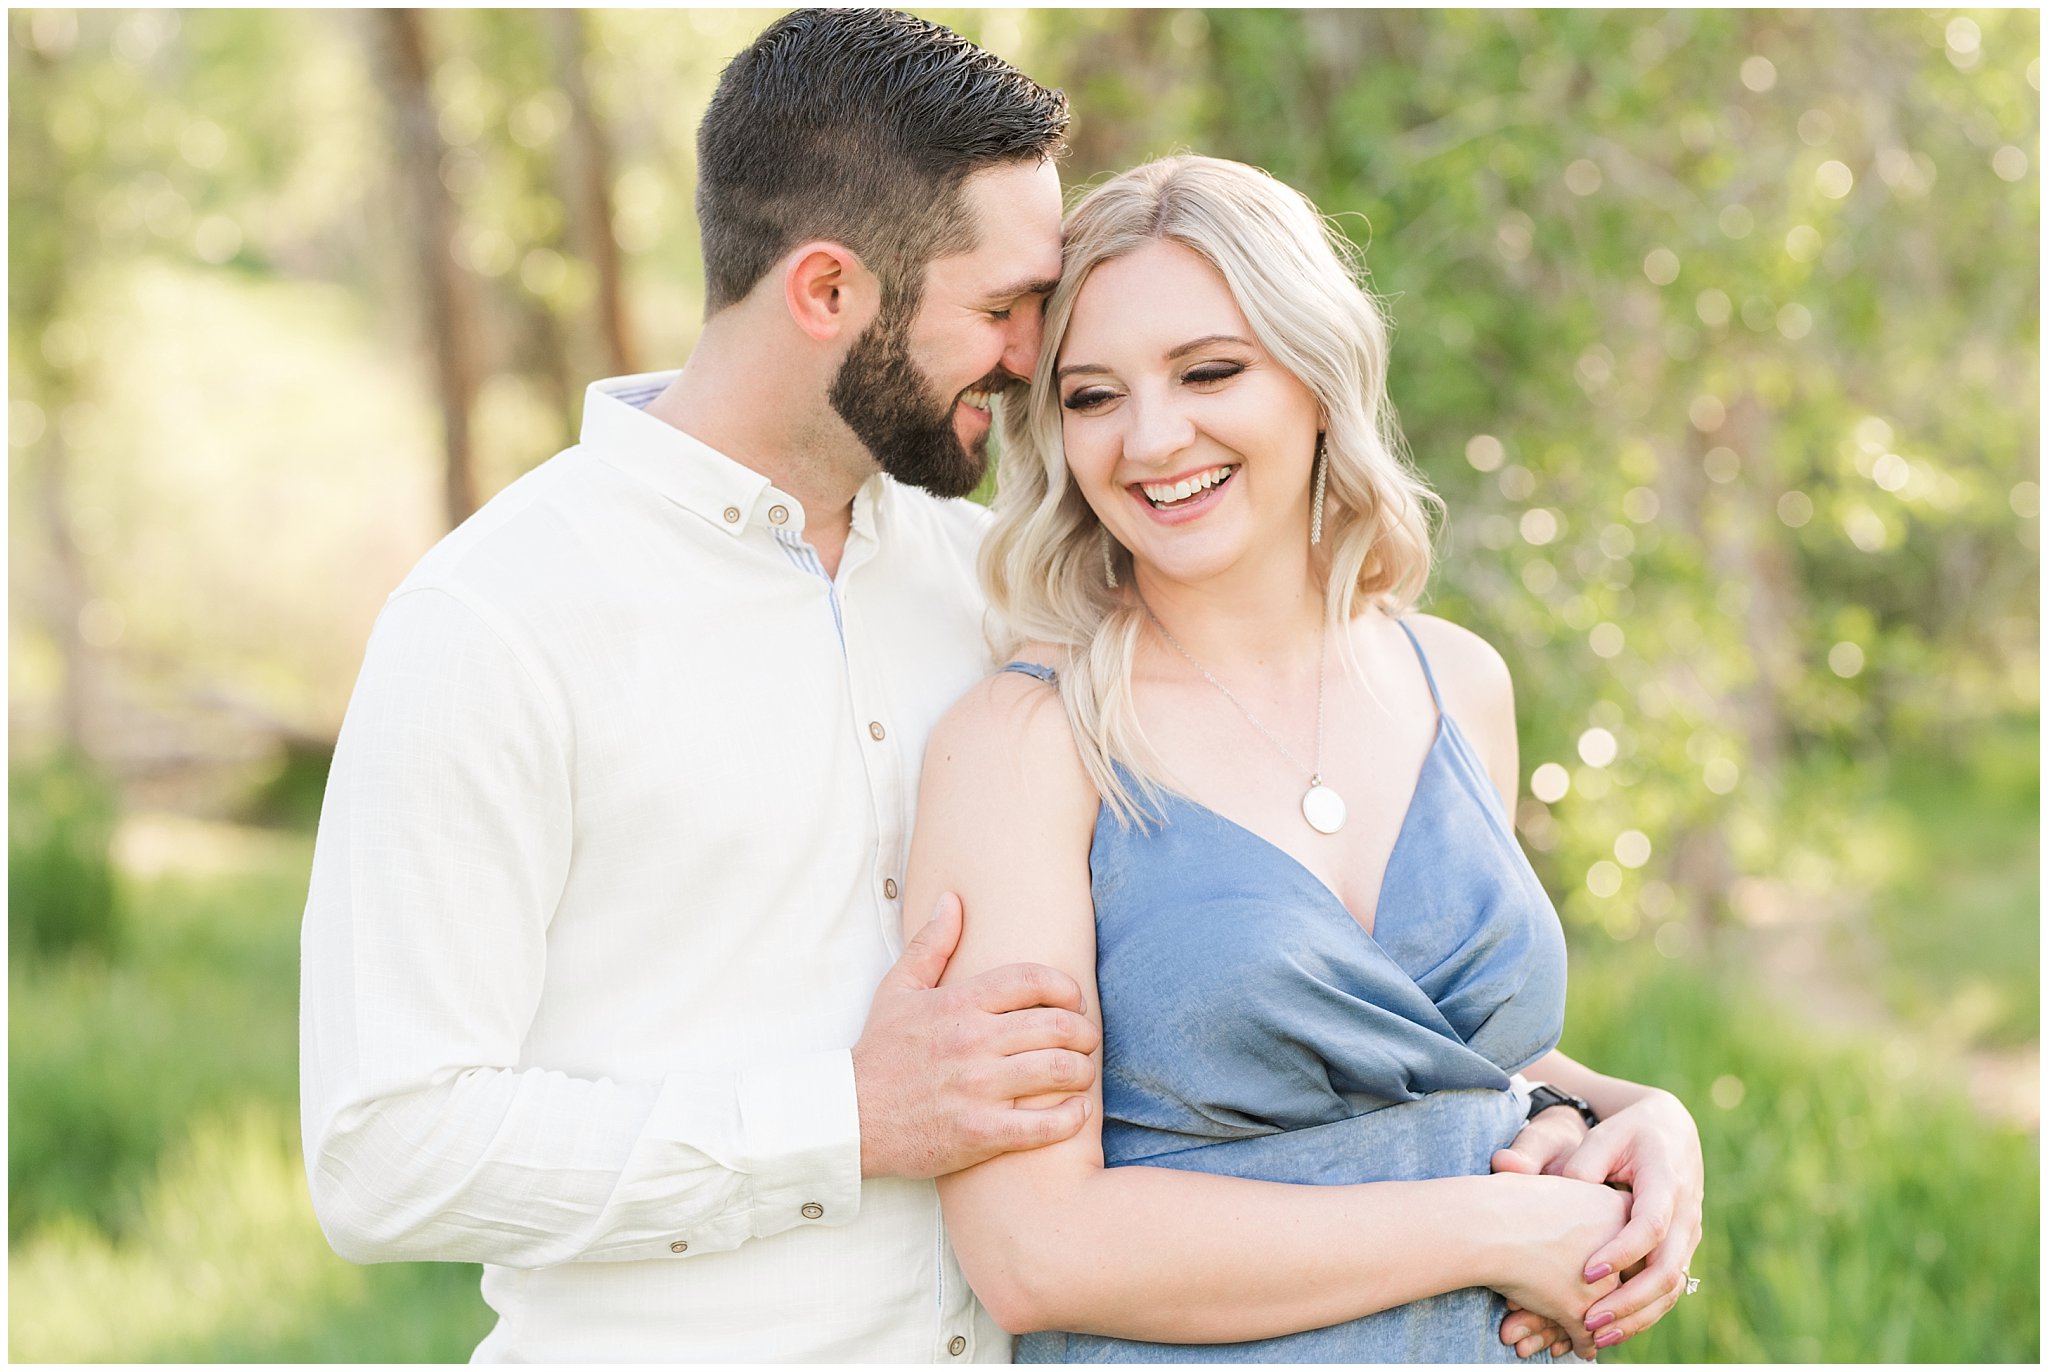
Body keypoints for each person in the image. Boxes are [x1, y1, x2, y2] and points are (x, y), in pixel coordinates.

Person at [299, 11, 1098, 1361]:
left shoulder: (998, 588)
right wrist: (843, 1119)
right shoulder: (493, 621)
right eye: (1003, 307)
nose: (1032, 357)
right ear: (830, 291)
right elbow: (387, 1152)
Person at [904, 155, 1705, 1362]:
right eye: (1091, 395)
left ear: (1316, 378)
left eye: (1210, 370)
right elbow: (1029, 1249)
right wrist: (1486, 1228)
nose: (1152, 437)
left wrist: (1643, 1117)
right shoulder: (1025, 744)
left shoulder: (1457, 681)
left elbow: (1448, 1062)